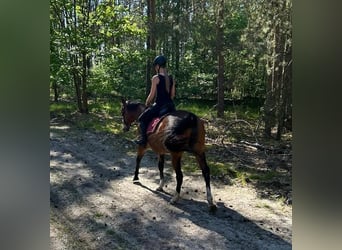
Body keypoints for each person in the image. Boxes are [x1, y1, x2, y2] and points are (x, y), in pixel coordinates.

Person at [135, 55, 176, 146]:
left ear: (158, 66)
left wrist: (147, 103)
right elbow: (172, 95)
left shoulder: (155, 78)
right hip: (171, 106)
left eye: (155, 66)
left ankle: (143, 140)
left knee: (142, 119)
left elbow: (152, 95)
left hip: (159, 106)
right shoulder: (171, 78)